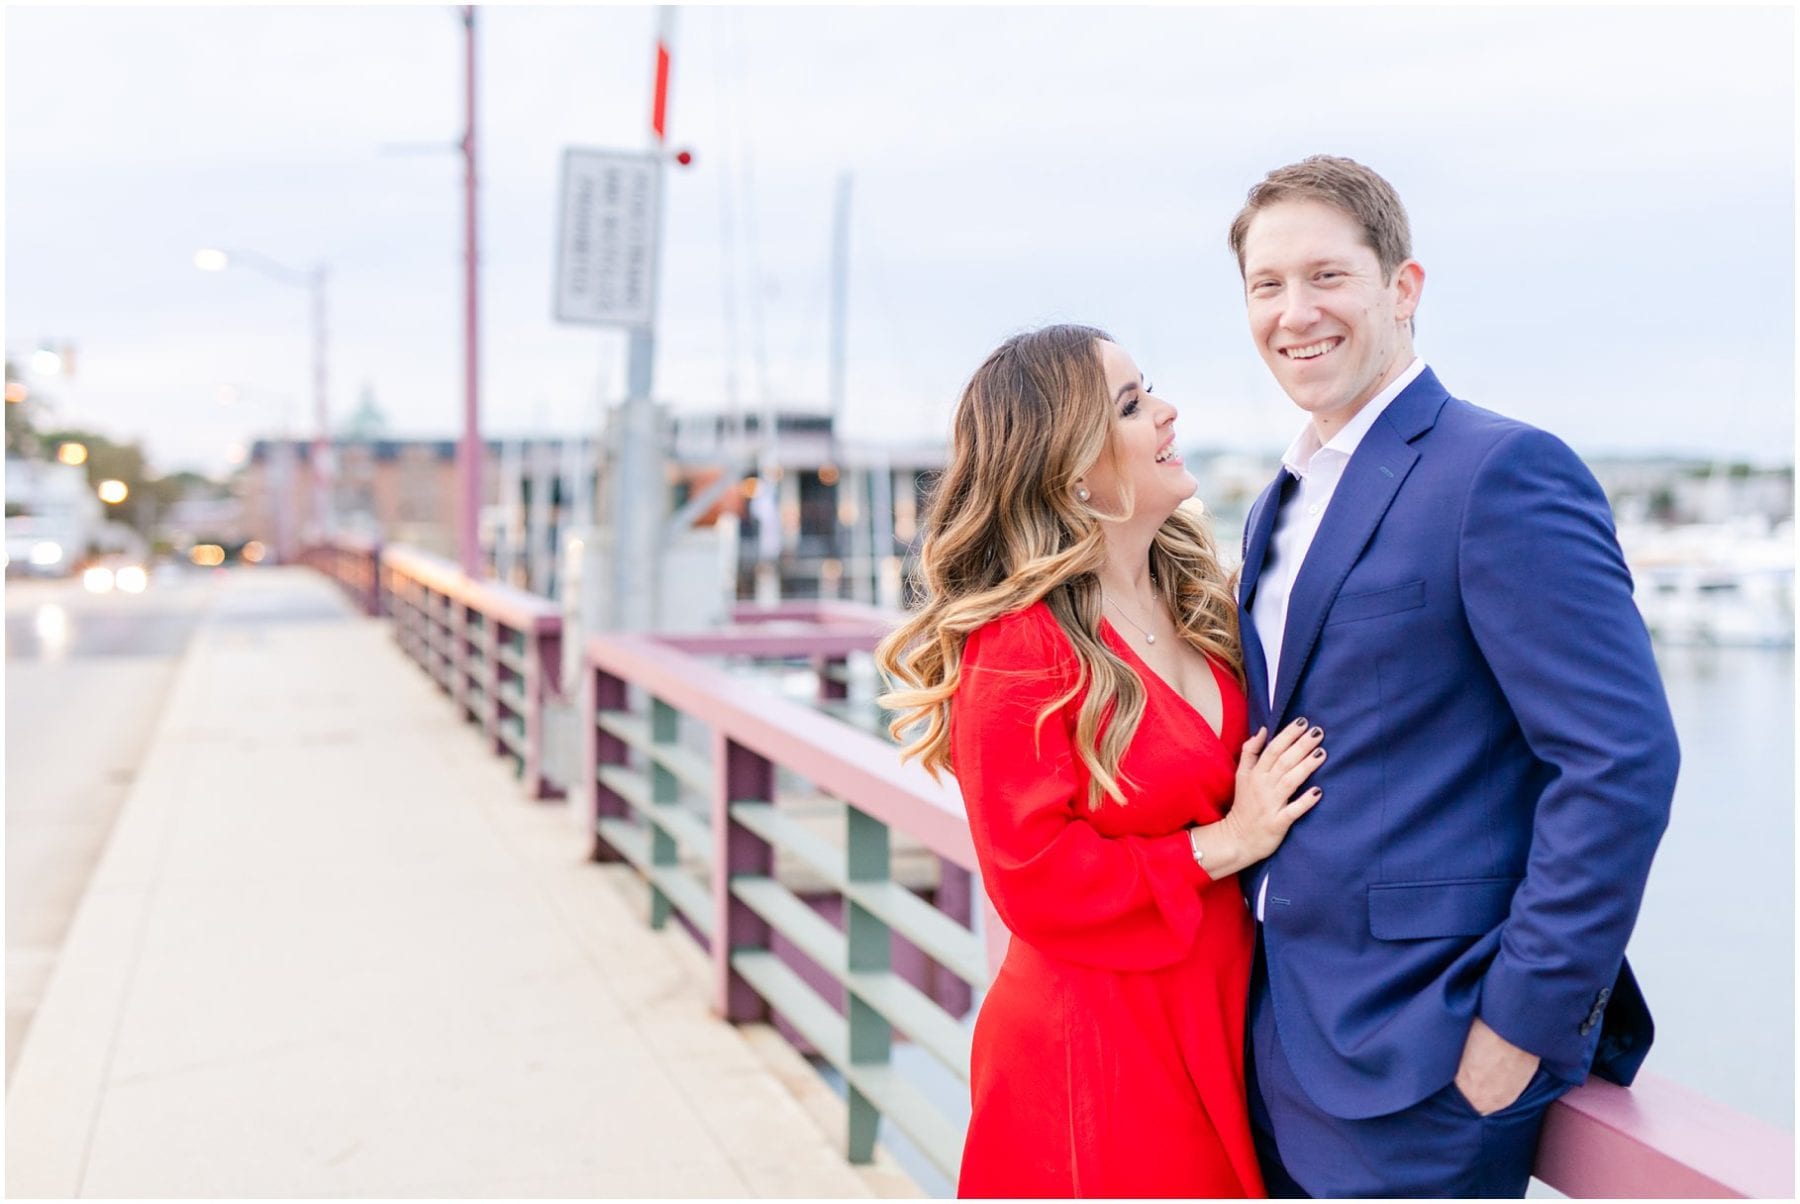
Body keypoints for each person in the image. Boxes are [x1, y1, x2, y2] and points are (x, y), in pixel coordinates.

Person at [1225, 155, 1680, 1197]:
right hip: (1284, 1042)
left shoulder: (1501, 471)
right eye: (1267, 285)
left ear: (1404, 288)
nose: (1296, 312)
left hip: (1432, 1061)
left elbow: (1621, 761)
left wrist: (1515, 1027)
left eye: (1327, 276)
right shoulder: (1276, 505)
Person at [876, 324, 1326, 1198]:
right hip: (1099, 1051)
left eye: (1146, 388)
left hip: (1221, 1018)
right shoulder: (1020, 648)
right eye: (1130, 405)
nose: (1166, 412)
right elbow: (1032, 878)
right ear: (1069, 468)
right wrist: (1225, 843)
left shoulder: (1198, 595)